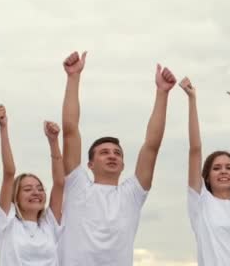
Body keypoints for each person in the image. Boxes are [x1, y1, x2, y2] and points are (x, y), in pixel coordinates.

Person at [58, 52, 177, 266]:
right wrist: (73, 78)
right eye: (104, 152)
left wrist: (162, 94)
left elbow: (152, 146)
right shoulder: (77, 185)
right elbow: (70, 131)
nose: (112, 155)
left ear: (123, 165)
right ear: (90, 164)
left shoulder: (131, 194)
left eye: (117, 153)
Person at [179, 77, 230, 265]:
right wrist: (192, 100)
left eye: (229, 168)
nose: (224, 171)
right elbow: (195, 150)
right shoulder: (200, 201)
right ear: (206, 176)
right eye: (216, 168)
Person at [0, 104, 64, 266]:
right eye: (28, 189)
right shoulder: (6, 224)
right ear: (15, 196)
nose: (36, 192)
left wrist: (53, 142)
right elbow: (9, 173)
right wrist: (3, 127)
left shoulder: (49, 224)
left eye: (39, 188)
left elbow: (59, 183)